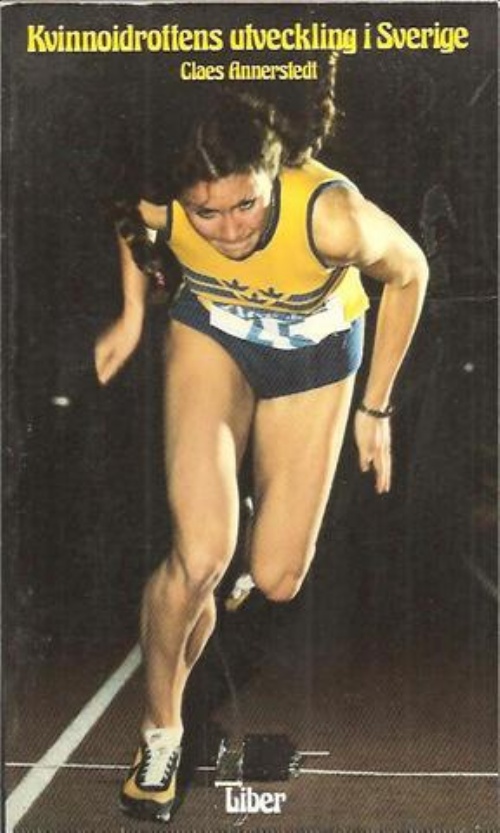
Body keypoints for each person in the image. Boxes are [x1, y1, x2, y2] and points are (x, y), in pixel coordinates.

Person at [95, 56, 428, 823]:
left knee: (277, 576)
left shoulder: (332, 217)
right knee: (199, 556)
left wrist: (376, 408)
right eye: (205, 215)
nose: (230, 230)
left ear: (274, 173)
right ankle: (161, 733)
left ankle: (241, 519)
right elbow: (131, 222)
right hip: (214, 338)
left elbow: (410, 274)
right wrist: (134, 315)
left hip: (315, 353)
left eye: (245, 204)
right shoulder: (164, 202)